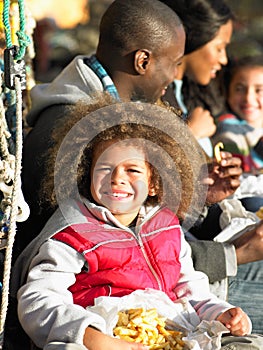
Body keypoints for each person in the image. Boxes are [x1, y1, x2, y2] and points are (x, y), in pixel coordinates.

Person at [12, 0, 262, 333]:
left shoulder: (119, 113)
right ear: (143, 61)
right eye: (173, 64)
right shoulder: (74, 134)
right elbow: (110, 250)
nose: (175, 76)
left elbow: (145, 226)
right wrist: (231, 255)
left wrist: (200, 196)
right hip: (112, 309)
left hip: (167, 284)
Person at [8, 97, 263, 350]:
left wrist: (220, 312)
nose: (117, 178)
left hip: (169, 333)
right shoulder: (74, 234)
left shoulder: (166, 226)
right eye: (105, 168)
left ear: (153, 183)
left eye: (133, 170)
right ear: (87, 172)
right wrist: (90, 335)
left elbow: (189, 288)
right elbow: (38, 299)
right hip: (103, 336)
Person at [159, 0, 263, 333]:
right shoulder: (160, 111)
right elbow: (150, 236)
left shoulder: (185, 97)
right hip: (195, 279)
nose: (223, 59)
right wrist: (236, 252)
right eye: (219, 47)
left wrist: (208, 193)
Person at [212, 55, 263, 173]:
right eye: (239, 89)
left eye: (259, 90)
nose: (248, 99)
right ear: (227, 91)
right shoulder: (228, 130)